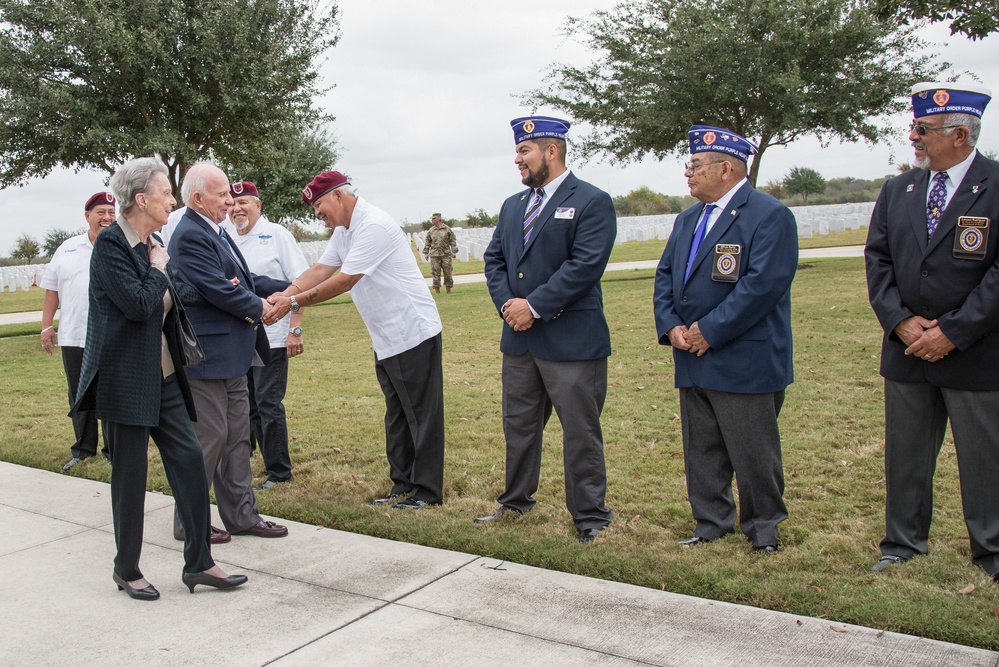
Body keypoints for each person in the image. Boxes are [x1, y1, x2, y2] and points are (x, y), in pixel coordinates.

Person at [74, 157, 247, 600]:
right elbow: (137, 305)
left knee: (190, 463)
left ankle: (200, 562)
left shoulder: (155, 242)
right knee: (130, 476)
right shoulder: (112, 246)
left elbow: (180, 295)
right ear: (141, 199)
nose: (172, 199)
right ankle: (126, 568)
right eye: (166, 193)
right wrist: (157, 267)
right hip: (125, 379)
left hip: (166, 376)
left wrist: (175, 271)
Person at [865, 81, 999, 579]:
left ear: (960, 133)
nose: (914, 138)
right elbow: (877, 258)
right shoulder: (899, 188)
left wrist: (954, 331)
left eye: (923, 130)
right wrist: (900, 321)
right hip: (907, 351)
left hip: (975, 350)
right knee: (906, 454)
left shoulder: (996, 184)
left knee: (984, 457)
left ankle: (991, 549)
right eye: (914, 128)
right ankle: (902, 542)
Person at [653, 126, 798, 553]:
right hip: (692, 356)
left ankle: (764, 528)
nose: (688, 173)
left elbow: (762, 286)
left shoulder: (769, 216)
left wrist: (708, 331)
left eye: (695, 165)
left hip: (744, 357)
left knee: (753, 451)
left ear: (727, 167)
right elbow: (665, 277)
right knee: (702, 448)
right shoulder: (687, 219)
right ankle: (711, 521)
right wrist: (672, 326)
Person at [265, 171, 445, 509]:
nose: (318, 213)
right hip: (386, 335)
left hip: (411, 330)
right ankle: (402, 484)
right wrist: (285, 293)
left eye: (319, 205)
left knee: (422, 415)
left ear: (338, 195)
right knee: (397, 414)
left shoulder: (372, 224)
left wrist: (292, 303)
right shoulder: (343, 230)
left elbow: (345, 280)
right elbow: (321, 269)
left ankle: (427, 492)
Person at [478, 116, 615, 545]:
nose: (517, 159)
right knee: (518, 426)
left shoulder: (592, 200)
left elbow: (585, 265)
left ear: (550, 152)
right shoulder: (513, 205)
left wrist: (534, 306)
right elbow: (495, 260)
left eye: (524, 151)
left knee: (579, 430)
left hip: (571, 339)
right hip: (519, 340)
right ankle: (516, 501)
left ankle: (590, 515)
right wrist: (508, 306)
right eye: (518, 151)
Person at [167, 163, 290, 541]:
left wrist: (295, 288)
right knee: (210, 438)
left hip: (233, 353)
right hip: (205, 357)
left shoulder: (215, 229)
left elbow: (246, 280)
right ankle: (189, 521)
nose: (229, 201)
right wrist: (261, 307)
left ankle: (242, 515)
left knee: (236, 436)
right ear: (198, 197)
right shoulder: (189, 234)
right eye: (222, 195)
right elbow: (217, 288)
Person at [228, 180, 309, 489]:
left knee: (267, 403)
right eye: (233, 204)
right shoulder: (227, 238)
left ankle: (279, 472)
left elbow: (301, 284)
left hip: (273, 337)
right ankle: (249, 464)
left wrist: (295, 330)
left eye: (244, 202)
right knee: (246, 404)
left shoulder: (276, 235)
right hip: (241, 336)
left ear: (258, 205)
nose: (237, 208)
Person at [41, 192, 115, 471]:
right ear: (88, 216)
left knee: (109, 392)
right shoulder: (68, 248)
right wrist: (47, 326)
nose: (106, 218)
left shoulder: (121, 245)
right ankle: (84, 448)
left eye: (111, 212)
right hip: (74, 335)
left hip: (110, 334)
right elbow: (52, 290)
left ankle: (113, 448)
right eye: (100, 212)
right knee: (80, 393)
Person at [423, 212, 458, 294]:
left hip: (445, 254)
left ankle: (448, 290)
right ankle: (437, 291)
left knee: (448, 272)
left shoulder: (447, 229)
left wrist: (454, 251)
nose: (432, 220)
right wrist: (426, 253)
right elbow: (427, 242)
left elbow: (452, 240)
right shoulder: (431, 230)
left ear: (438, 219)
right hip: (434, 255)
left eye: (433, 219)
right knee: (435, 273)